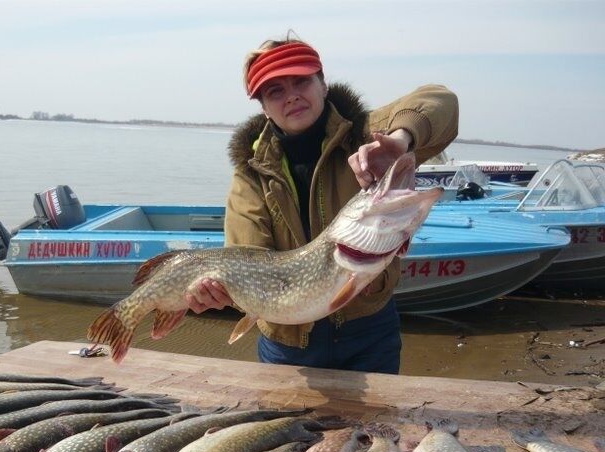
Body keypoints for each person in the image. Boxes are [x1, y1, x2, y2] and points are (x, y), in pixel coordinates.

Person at [185, 36, 459, 374]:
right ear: (264, 108)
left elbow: (441, 101)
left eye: (301, 80)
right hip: (288, 345)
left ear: (323, 84)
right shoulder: (250, 176)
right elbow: (248, 257)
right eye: (276, 92)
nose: (293, 96)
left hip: (369, 332)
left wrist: (401, 140)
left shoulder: (365, 133)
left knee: (374, 427)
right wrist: (221, 293)